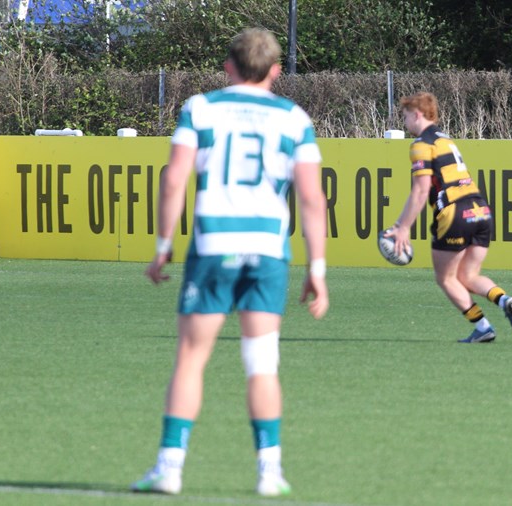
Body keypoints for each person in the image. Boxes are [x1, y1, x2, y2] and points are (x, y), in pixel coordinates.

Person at [132, 28, 328, 497]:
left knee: (191, 358)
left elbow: (174, 179)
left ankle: (170, 467)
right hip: (267, 251)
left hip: (214, 245)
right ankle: (269, 472)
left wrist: (163, 245)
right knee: (262, 363)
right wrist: (317, 268)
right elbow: (311, 198)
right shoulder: (294, 117)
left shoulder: (201, 108)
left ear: (228, 66)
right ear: (276, 71)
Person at [387, 92, 512, 343]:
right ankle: (504, 299)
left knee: (446, 278)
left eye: (405, 116)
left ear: (416, 115)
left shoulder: (421, 145)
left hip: (454, 212)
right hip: (480, 209)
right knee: (468, 276)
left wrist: (402, 227)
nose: (404, 122)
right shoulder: (445, 140)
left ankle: (483, 327)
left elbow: (420, 191)